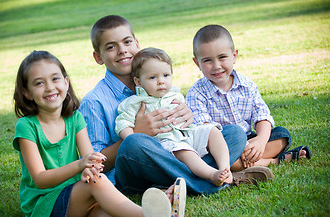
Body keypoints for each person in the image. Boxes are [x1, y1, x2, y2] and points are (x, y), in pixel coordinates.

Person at [79, 15, 272, 196]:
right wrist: (139, 133)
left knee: (234, 133)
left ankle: (203, 178)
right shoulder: (94, 101)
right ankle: (211, 182)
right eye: (111, 47)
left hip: (180, 150)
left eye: (127, 42)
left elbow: (189, 129)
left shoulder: (158, 78)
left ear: (137, 44)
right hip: (137, 170)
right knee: (134, 143)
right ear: (98, 57)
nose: (122, 50)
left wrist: (188, 115)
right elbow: (96, 164)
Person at [12, 50, 186, 217]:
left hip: (75, 198)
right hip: (45, 207)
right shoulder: (27, 126)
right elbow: (40, 179)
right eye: (39, 83)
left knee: (105, 215)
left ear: (66, 82)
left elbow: (93, 162)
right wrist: (80, 166)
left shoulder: (74, 118)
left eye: (55, 79)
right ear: (26, 92)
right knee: (96, 183)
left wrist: (90, 168)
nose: (49, 87)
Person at [186, 24, 312, 171]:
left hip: (250, 140)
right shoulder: (196, 93)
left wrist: (260, 141)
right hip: (222, 145)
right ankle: (276, 161)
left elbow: (261, 115)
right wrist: (240, 147)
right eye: (208, 60)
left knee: (282, 135)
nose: (216, 65)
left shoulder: (246, 84)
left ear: (234, 56)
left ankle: (246, 161)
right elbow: (205, 130)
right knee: (219, 159)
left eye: (222, 57)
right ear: (197, 63)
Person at [115, 47, 233, 187]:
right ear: (138, 82)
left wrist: (189, 115)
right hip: (164, 145)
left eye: (165, 75)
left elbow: (189, 120)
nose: (161, 81)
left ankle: (224, 168)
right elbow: (122, 123)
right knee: (185, 152)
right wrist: (133, 137)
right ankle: (210, 175)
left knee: (218, 131)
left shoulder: (175, 95)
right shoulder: (136, 102)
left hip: (186, 135)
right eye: (153, 77)